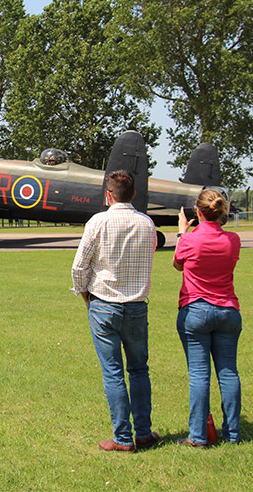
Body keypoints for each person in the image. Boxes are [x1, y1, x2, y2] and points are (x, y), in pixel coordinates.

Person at [70, 170, 158, 452]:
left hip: (104, 304)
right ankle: (143, 432)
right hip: (136, 306)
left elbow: (79, 266)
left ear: (108, 195)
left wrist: (84, 293)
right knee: (139, 370)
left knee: (113, 373)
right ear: (133, 194)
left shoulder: (99, 221)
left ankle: (122, 437)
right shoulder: (147, 223)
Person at [173, 189, 242, 447]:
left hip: (196, 309)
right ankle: (232, 434)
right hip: (227, 310)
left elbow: (178, 263)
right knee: (228, 373)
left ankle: (199, 436)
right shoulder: (233, 239)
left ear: (197, 211)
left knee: (199, 376)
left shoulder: (190, 239)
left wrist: (182, 232)